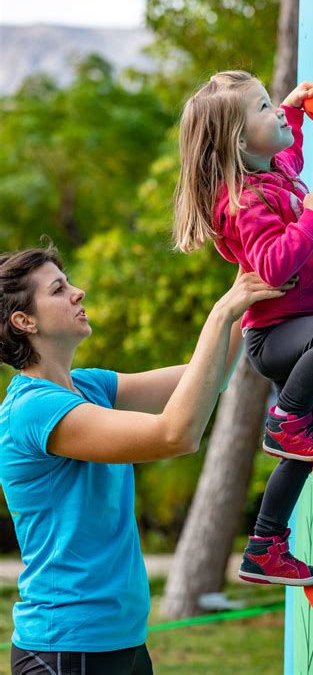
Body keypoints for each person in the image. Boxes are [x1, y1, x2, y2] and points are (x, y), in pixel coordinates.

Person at [0, 243, 295, 675]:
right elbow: (175, 435)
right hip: (66, 649)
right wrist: (221, 313)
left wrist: (252, 272)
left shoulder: (89, 386)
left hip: (121, 640)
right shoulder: (34, 410)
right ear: (24, 321)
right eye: (59, 290)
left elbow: (209, 376)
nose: (78, 293)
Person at [173, 70, 313, 587]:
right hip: (279, 338)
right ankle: (285, 419)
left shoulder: (272, 171)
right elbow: (275, 265)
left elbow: (291, 155)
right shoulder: (243, 203)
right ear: (238, 140)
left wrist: (293, 110)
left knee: (302, 453)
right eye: (262, 107)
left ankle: (264, 546)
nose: (273, 111)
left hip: (294, 334)